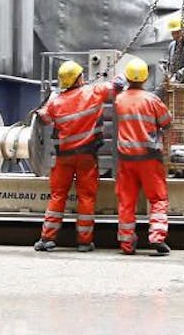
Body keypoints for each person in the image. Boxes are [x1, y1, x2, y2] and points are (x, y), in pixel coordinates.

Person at [33, 60, 117, 252]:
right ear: (79, 78)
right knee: (86, 196)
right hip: (87, 156)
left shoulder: (56, 101)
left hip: (64, 157)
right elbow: (116, 86)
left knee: (57, 195)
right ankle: (84, 241)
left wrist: (44, 105)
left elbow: (44, 118)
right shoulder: (94, 92)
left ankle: (47, 238)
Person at [113, 55, 173, 256]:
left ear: (128, 77)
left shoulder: (119, 100)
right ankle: (157, 237)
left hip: (126, 159)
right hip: (149, 158)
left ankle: (126, 244)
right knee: (157, 198)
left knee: (126, 201)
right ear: (146, 78)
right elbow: (166, 121)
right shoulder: (152, 100)